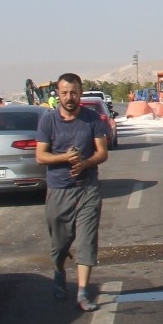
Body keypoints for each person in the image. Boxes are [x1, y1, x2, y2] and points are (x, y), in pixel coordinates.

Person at [36, 73, 110, 311]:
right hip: (59, 189)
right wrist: (65, 158)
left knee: (87, 240)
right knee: (60, 244)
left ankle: (82, 292)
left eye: (74, 92)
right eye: (65, 93)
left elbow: (102, 153)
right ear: (58, 94)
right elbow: (40, 156)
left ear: (80, 93)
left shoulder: (92, 118)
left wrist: (85, 163)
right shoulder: (48, 121)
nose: (69, 97)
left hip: (87, 188)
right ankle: (59, 271)